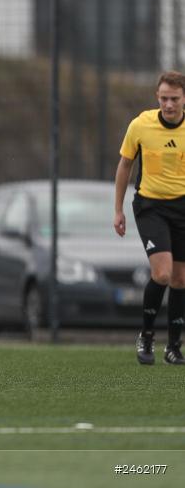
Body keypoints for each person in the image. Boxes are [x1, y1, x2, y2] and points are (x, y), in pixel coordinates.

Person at [114, 71, 185, 366]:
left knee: (181, 279)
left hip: (182, 207)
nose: (169, 105)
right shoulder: (141, 125)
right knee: (162, 274)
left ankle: (174, 347)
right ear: (157, 97)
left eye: (175, 99)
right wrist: (117, 209)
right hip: (151, 207)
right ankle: (146, 336)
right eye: (164, 98)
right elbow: (125, 166)